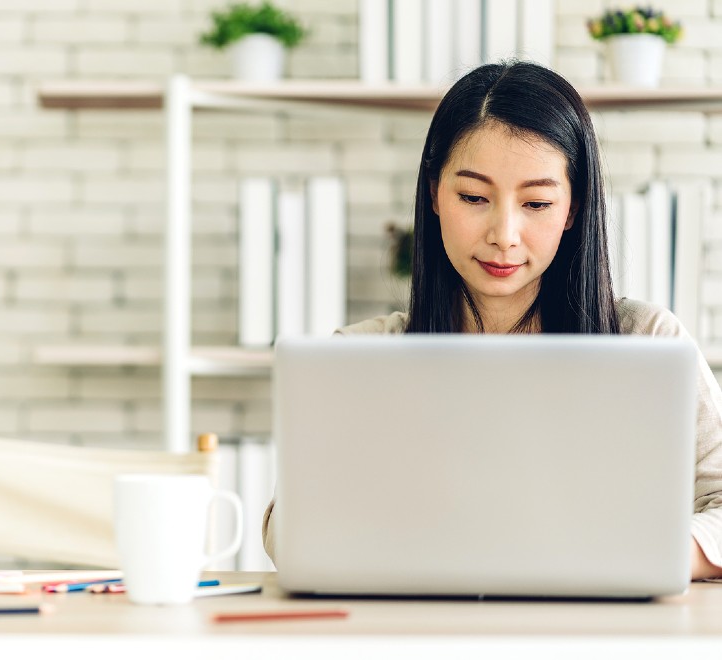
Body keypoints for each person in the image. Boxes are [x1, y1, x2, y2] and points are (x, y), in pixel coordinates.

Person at [261, 60, 722, 581]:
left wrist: (639, 557)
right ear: (435, 192)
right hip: (418, 625)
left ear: (573, 208)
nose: (504, 233)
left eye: (537, 202)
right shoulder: (359, 358)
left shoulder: (648, 342)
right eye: (474, 197)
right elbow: (289, 530)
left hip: (600, 627)